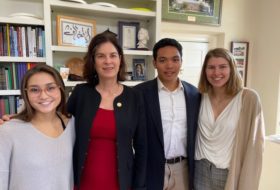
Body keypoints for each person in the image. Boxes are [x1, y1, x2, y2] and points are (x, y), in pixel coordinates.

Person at [68, 31, 147, 190]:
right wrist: (22, 118)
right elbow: (54, 123)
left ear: (120, 59)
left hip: (121, 183)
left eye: (113, 55)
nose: (108, 61)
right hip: (83, 181)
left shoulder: (135, 97)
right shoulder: (81, 93)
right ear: (93, 61)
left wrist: (139, 186)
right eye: (101, 56)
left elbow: (142, 147)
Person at [194, 48, 265, 190]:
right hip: (200, 170)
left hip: (228, 173)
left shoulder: (249, 98)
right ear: (205, 71)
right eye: (211, 67)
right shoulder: (200, 96)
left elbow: (255, 145)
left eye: (222, 67)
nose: (216, 73)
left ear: (232, 69)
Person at [135, 38, 201, 190]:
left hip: (183, 169)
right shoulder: (139, 93)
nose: (169, 65)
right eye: (163, 60)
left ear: (181, 62)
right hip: (151, 168)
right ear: (154, 63)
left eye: (175, 59)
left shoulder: (194, 94)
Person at [0, 64, 75, 190]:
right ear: (26, 94)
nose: (44, 96)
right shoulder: (8, 130)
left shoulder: (72, 125)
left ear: (61, 89)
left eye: (50, 88)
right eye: (34, 90)